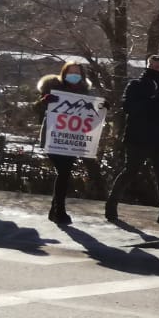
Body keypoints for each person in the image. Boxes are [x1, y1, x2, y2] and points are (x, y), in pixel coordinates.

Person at [104, 55, 159, 227]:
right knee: (130, 171)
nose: (153, 69)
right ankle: (111, 204)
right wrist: (150, 99)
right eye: (151, 65)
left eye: (158, 67)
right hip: (138, 137)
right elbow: (128, 107)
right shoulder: (135, 85)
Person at [34, 59, 104, 226]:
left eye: (77, 72)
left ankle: (55, 210)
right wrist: (44, 101)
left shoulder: (86, 93)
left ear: (82, 75)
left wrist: (102, 107)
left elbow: (92, 116)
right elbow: (35, 109)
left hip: (73, 140)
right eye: (70, 72)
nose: (74, 75)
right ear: (64, 73)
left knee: (64, 173)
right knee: (64, 172)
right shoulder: (52, 88)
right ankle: (59, 211)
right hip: (53, 138)